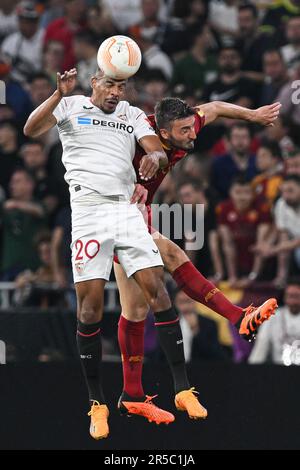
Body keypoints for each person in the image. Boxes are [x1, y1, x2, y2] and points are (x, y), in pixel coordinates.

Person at [24, 68, 208, 440]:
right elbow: (30, 129)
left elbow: (154, 145)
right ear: (94, 83)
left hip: (125, 210)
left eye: (121, 86)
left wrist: (154, 158)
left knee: (157, 289)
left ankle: (183, 389)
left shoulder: (132, 114)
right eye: (109, 84)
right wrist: (58, 94)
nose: (116, 92)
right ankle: (98, 404)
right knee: (89, 308)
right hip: (88, 213)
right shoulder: (71, 105)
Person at [114, 97, 280, 421]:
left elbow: (215, 107)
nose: (193, 135)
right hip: (114, 215)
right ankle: (238, 317)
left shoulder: (183, 127)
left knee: (134, 309)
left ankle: (131, 394)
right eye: (184, 131)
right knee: (173, 252)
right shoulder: (132, 137)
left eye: (192, 127)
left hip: (137, 214)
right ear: (162, 131)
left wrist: (253, 115)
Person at [249, 279, 300, 365]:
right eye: (290, 296)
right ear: (284, 297)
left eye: (297, 297)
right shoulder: (272, 318)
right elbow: (260, 349)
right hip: (279, 370)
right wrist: (252, 371)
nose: (293, 302)